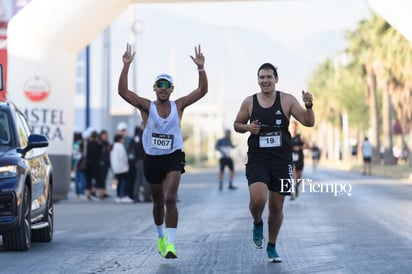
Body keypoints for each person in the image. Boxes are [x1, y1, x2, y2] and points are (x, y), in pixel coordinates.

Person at [118, 43, 208, 259]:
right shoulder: (147, 106)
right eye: (160, 85)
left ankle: (171, 243)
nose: (164, 89)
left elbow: (202, 91)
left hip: (174, 157)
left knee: (170, 198)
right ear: (155, 88)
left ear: (172, 89)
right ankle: (160, 237)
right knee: (158, 202)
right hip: (152, 159)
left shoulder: (179, 106)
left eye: (167, 85)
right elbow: (123, 92)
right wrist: (126, 66)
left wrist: (201, 69)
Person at [233, 63, 314, 262]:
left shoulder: (286, 100)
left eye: (269, 77)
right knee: (259, 199)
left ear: (276, 79)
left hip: (281, 160)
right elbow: (237, 125)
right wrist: (248, 127)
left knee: (277, 206)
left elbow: (308, 122)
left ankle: (272, 245)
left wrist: (309, 106)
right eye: (262, 77)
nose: (265, 80)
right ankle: (257, 221)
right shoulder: (249, 102)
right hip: (258, 159)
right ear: (258, 80)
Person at [130, 125, 152, 202]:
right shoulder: (144, 135)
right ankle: (146, 196)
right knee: (145, 178)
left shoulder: (135, 136)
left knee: (138, 179)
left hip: (137, 160)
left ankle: (136, 196)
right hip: (144, 159)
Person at [289, 121, 310, 200]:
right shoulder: (287, 137)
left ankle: (296, 188)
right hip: (290, 160)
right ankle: (292, 192)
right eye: (292, 127)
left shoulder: (300, 137)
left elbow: (308, 146)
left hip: (299, 160)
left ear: (297, 128)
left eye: (294, 127)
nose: (293, 129)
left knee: (298, 178)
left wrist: (300, 148)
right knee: (293, 175)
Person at [110, 134, 133, 203]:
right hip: (122, 167)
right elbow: (123, 157)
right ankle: (123, 196)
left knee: (118, 182)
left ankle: (118, 196)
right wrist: (126, 165)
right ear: (119, 139)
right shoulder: (120, 146)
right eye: (122, 139)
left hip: (116, 168)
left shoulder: (113, 146)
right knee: (124, 182)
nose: (124, 140)